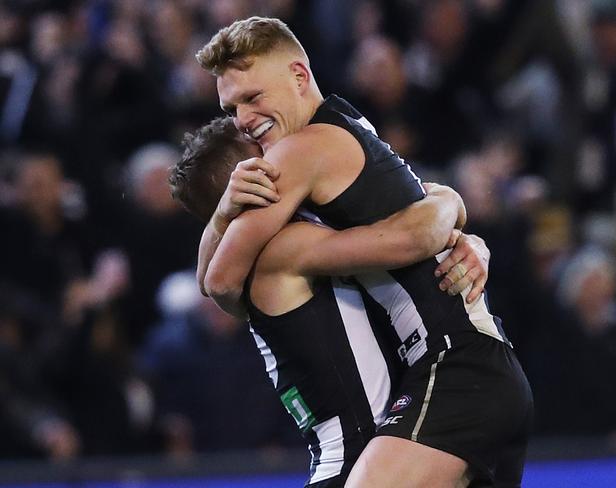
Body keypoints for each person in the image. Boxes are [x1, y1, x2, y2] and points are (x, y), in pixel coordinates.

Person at [196, 17, 533, 487]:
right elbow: (425, 201)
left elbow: (219, 281)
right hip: (479, 370)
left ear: (299, 77)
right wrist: (453, 210)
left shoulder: (298, 150)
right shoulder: (352, 123)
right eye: (231, 107)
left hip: (455, 369)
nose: (244, 121)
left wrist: (222, 216)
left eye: (253, 97)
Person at [169, 116, 478, 486]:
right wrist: (449, 199)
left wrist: (470, 244)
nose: (289, 152)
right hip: (361, 462)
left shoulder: (257, 258)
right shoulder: (288, 247)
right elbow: (412, 238)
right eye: (269, 151)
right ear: (254, 182)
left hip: (370, 460)